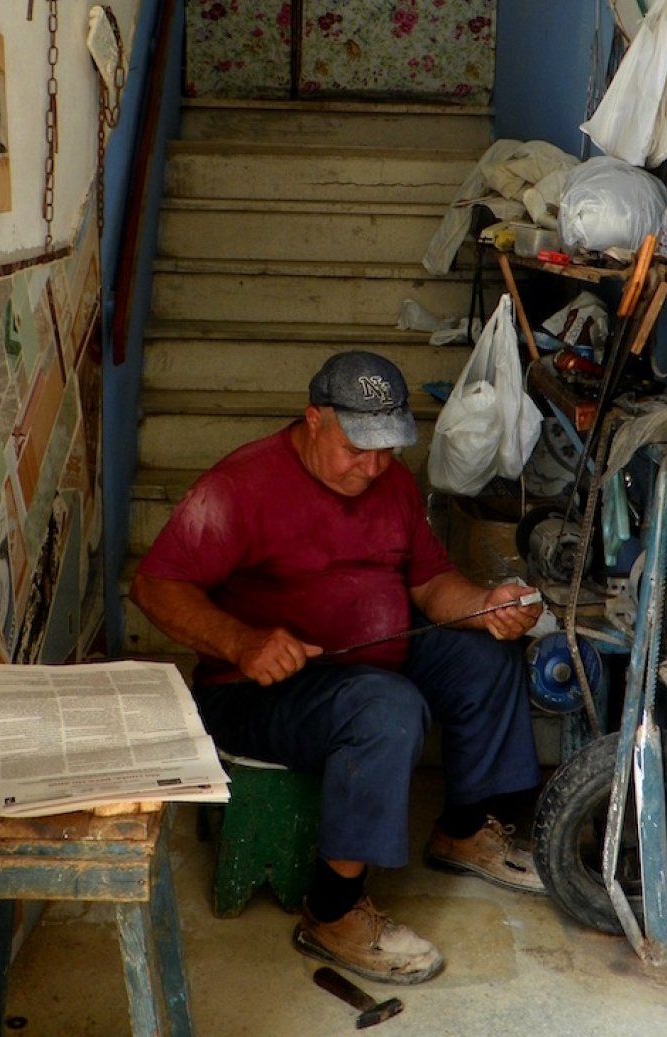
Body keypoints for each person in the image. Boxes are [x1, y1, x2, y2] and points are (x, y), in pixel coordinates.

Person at [130, 349, 545, 986]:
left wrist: (484, 606)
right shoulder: (241, 486)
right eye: (358, 447)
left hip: (375, 659)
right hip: (257, 689)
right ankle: (331, 911)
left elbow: (431, 583)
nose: (373, 466)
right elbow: (156, 586)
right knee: (385, 708)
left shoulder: (391, 481)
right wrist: (240, 641)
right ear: (315, 419)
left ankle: (463, 830)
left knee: (486, 654)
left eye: (387, 449)